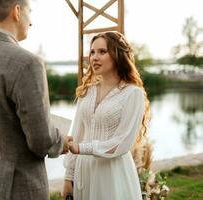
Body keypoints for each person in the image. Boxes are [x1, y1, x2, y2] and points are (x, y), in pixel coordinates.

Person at [0, 0, 71, 199]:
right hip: (18, 189)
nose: (31, 21)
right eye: (30, 12)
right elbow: (41, 140)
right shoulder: (28, 63)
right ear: (17, 12)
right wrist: (62, 142)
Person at [62, 31, 150, 200]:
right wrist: (68, 177)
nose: (94, 57)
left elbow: (122, 143)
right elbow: (77, 134)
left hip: (111, 173)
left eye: (102, 52)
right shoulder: (86, 91)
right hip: (83, 172)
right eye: (92, 52)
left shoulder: (133, 94)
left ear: (118, 55)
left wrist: (82, 148)